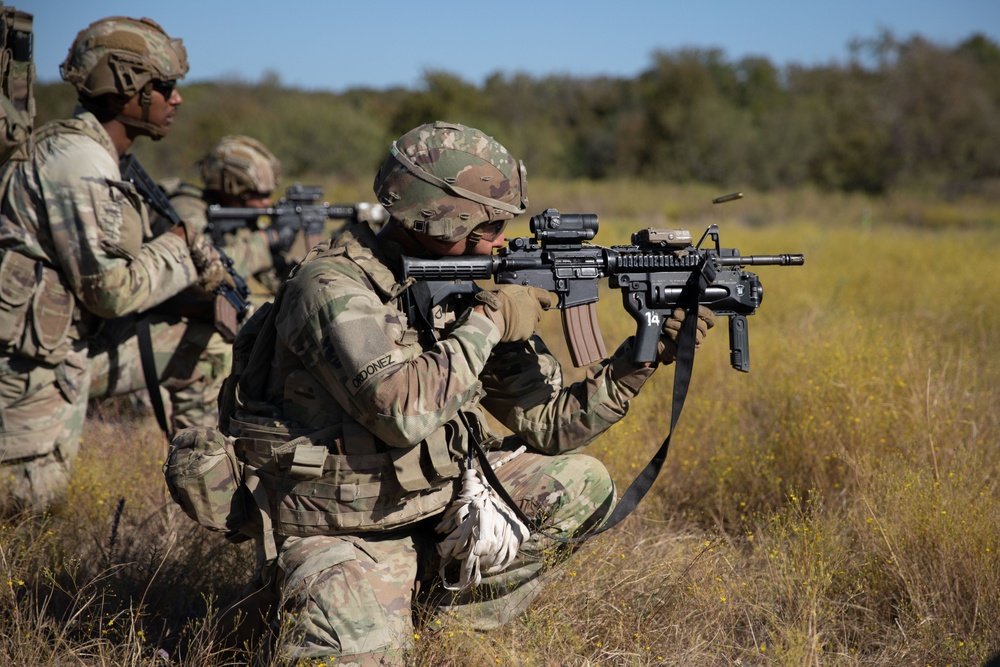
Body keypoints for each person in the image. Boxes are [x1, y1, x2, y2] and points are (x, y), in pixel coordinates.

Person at [219, 121, 715, 664]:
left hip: (436, 504)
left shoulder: (459, 285)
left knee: (582, 482)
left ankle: (442, 613)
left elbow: (550, 424)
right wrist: (489, 320)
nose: (502, 239)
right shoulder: (331, 286)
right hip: (344, 526)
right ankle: (351, 599)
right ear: (442, 213)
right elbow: (400, 413)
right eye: (491, 224)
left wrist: (642, 357)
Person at [0, 16, 234, 512]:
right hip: (28, 362)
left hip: (71, 342)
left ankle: (208, 481)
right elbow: (109, 291)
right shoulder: (78, 162)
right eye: (164, 87)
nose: (177, 99)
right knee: (26, 511)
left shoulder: (107, 159)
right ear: (123, 90)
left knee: (210, 345)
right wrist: (180, 246)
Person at [159, 135, 290, 300]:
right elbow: (202, 267)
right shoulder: (187, 207)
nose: (267, 202)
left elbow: (274, 278)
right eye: (260, 195)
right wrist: (266, 240)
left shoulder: (238, 219)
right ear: (235, 188)